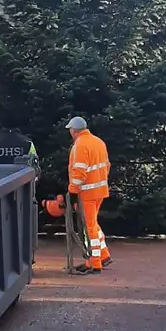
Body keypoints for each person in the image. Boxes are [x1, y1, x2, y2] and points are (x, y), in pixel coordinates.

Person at [64, 116, 112, 273]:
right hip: (100, 191)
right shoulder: (99, 142)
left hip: (87, 193)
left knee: (88, 227)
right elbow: (107, 166)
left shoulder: (80, 145)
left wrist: (72, 192)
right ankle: (104, 255)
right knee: (93, 223)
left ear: (73, 131)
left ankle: (94, 262)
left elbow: (79, 172)